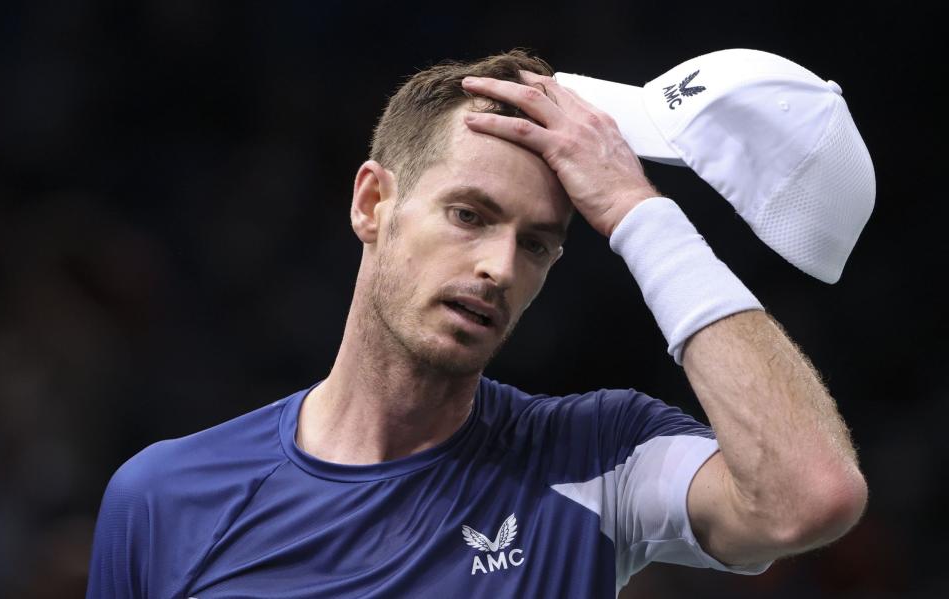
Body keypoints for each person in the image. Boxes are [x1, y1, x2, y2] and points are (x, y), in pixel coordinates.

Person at [86, 50, 868, 598]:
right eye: (469, 214)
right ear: (372, 203)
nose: (499, 265)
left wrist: (638, 213)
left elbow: (810, 495)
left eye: (537, 244)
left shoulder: (596, 456)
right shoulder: (164, 497)